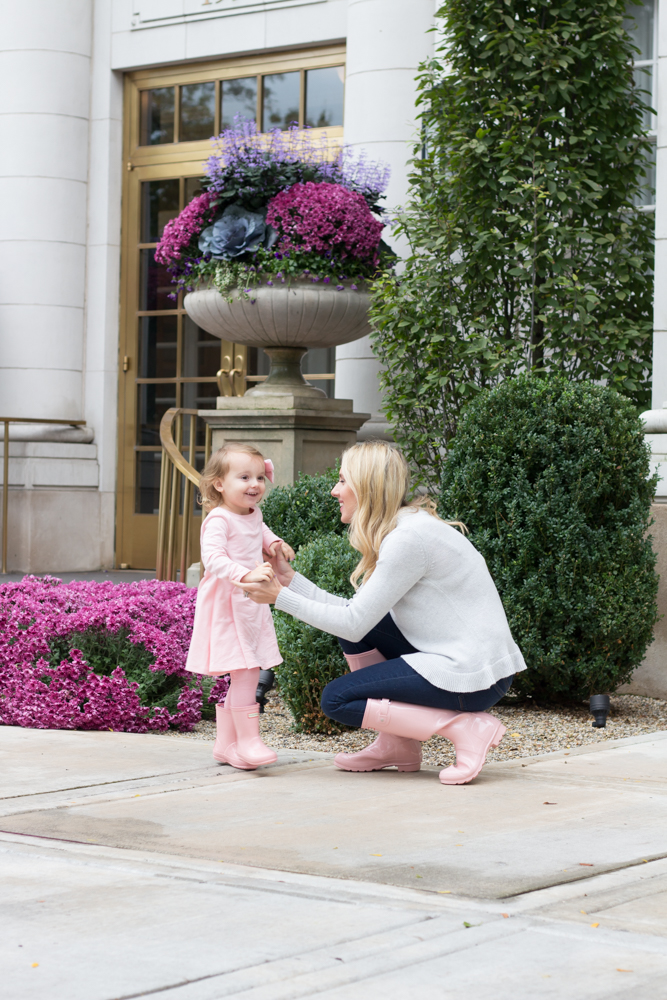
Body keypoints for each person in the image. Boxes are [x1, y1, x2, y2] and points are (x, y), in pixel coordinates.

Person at [237, 441, 527, 785]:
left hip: (473, 676)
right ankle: (397, 746)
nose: (335, 490)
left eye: (343, 481)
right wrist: (288, 579)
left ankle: (465, 727)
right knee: (355, 629)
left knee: (337, 699)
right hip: (464, 659)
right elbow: (355, 618)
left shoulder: (409, 540)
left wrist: (278, 597)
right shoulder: (407, 527)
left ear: (367, 488)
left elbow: (352, 622)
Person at [186, 443, 294, 770]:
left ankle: (227, 744)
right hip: (226, 604)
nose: (255, 484)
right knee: (246, 670)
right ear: (219, 483)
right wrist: (246, 572)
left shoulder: (252, 513)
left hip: (250, 602)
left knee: (244, 671)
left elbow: (257, 530)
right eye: (244, 476)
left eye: (260, 477)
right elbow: (214, 560)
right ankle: (247, 741)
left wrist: (273, 542)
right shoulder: (218, 519)